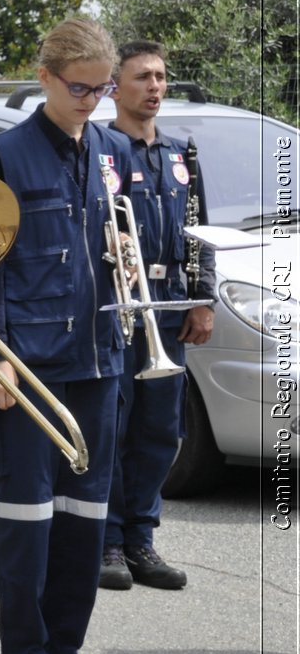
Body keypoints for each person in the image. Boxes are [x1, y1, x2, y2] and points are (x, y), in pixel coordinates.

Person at [0, 17, 129, 654]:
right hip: (26, 358)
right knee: (25, 518)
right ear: (46, 78)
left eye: (102, 87)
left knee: (86, 518)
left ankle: (67, 645)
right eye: (79, 87)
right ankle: (25, 651)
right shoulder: (7, 152)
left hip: (98, 356)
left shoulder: (111, 147)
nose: (92, 99)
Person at [99, 40, 212, 592]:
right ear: (116, 86)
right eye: (142, 77)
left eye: (161, 77)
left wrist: (203, 297)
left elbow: (200, 231)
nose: (155, 87)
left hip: (169, 308)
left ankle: (142, 537)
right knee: (115, 427)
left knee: (161, 431)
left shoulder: (180, 152)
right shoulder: (102, 149)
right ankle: (109, 541)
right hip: (122, 308)